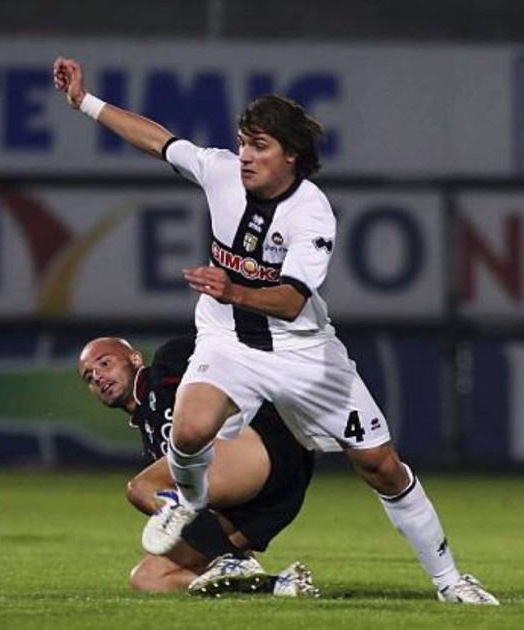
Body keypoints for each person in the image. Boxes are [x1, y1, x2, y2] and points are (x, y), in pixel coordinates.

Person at [54, 56, 499, 605]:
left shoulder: (311, 214)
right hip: (227, 343)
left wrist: (231, 288)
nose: (244, 155)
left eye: (259, 146)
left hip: (304, 354)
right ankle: (186, 503)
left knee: (382, 466)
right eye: (243, 142)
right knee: (189, 432)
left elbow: (290, 303)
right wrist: (86, 102)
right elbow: (159, 141)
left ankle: (451, 580)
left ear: (291, 156)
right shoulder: (220, 172)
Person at [79, 335, 317, 597]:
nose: (98, 377)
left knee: (143, 486)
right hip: (264, 504)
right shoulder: (151, 441)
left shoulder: (167, 364)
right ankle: (276, 586)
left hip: (265, 441)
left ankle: (231, 559)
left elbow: (233, 347)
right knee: (148, 578)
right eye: (89, 377)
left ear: (134, 359)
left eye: (104, 363)